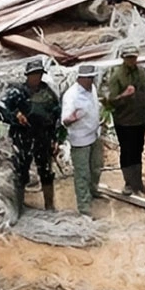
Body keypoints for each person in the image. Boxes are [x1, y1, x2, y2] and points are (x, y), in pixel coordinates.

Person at [0, 58, 62, 213]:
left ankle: (49, 206)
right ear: (27, 75)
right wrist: (15, 116)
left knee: (46, 172)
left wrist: (55, 139)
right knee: (20, 173)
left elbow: (56, 117)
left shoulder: (48, 93)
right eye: (33, 74)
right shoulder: (16, 92)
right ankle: (18, 209)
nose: (36, 77)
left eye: (39, 74)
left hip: (43, 138)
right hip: (22, 138)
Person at [101, 44, 145, 195]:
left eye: (134, 57)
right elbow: (109, 101)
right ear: (123, 58)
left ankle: (138, 182)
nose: (132, 60)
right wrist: (124, 95)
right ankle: (129, 183)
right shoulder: (116, 75)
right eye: (129, 57)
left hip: (139, 119)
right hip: (124, 121)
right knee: (127, 151)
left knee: (138, 150)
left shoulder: (143, 72)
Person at [62, 64, 103, 216]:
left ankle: (93, 191)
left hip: (94, 134)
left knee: (96, 166)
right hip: (80, 139)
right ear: (81, 78)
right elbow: (65, 120)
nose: (91, 81)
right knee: (82, 173)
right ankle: (84, 206)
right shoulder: (71, 95)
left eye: (93, 78)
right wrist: (71, 119)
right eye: (89, 78)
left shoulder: (91, 89)